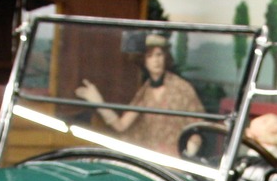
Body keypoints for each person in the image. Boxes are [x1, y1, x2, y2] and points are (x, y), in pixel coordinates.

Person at [75, 33, 205, 157]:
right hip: (149, 159)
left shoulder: (181, 88)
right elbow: (121, 126)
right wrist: (97, 101)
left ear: (165, 57)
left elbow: (197, 127)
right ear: (144, 61)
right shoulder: (144, 93)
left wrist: (189, 152)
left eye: (159, 54)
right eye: (150, 56)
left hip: (174, 161)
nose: (156, 60)